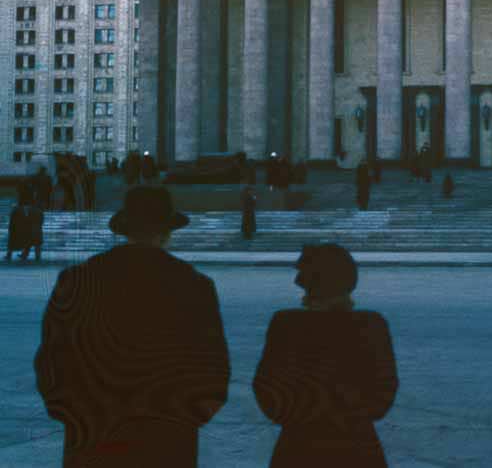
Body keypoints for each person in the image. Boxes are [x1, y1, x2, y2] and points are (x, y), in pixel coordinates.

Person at [34, 186, 230, 467]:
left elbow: (52, 359)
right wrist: (185, 418)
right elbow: (213, 369)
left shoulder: (77, 279)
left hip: (93, 432)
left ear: (126, 229)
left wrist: (73, 414)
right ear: (167, 231)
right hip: (167, 438)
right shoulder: (194, 285)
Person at [253, 243, 398, 468]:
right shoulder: (372, 325)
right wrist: (349, 414)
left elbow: (267, 390)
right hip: (359, 446)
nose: (297, 280)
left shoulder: (286, 324)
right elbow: (384, 392)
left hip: (297, 446)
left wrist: (305, 415)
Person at [6, 183, 44, 262]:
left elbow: (12, 222)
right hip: (33, 229)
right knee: (34, 240)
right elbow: (41, 220)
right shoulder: (36, 210)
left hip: (28, 229)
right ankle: (32, 255)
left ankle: (13, 254)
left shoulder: (18, 210)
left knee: (27, 239)